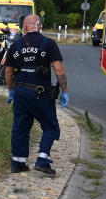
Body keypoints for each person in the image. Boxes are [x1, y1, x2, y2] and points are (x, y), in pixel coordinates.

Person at [4, 15, 69, 176]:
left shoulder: (15, 45)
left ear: (25, 27)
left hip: (21, 92)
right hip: (41, 93)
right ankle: (43, 159)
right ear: (39, 27)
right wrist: (65, 91)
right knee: (50, 125)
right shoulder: (49, 44)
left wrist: (11, 90)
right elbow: (58, 69)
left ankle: (18, 163)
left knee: (20, 127)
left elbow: (8, 71)